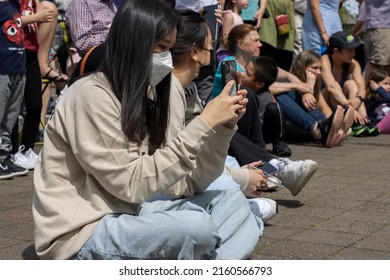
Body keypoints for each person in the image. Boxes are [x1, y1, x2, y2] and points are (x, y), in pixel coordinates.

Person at [33, 0, 260, 260]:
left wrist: (222, 128)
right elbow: (131, 185)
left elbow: (185, 184)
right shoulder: (91, 95)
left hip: (130, 212)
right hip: (82, 231)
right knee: (196, 227)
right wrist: (204, 123)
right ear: (134, 41)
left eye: (170, 48)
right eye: (162, 47)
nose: (167, 58)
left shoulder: (148, 92)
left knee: (233, 204)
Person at [169, 9, 277, 224]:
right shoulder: (170, 88)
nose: (212, 48)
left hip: (193, 170)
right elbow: (175, 171)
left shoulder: (187, 86)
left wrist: (227, 125)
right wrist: (238, 177)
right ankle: (237, 200)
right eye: (209, 43)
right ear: (194, 51)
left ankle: (242, 189)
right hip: (174, 182)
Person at [275, 50, 355, 147]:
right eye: (314, 68)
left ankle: (331, 132)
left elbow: (325, 109)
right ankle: (321, 130)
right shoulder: (289, 83)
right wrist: (309, 89)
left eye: (320, 68)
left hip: (305, 126)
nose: (318, 72)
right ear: (302, 68)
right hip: (289, 125)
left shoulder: (315, 83)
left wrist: (333, 123)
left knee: (325, 120)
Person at [321, 31, 379, 137]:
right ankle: (354, 120)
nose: (354, 54)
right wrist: (350, 109)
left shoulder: (353, 64)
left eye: (354, 50)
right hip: (323, 102)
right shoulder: (324, 60)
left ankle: (363, 121)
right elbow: (331, 87)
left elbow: (362, 86)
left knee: (351, 84)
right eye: (350, 50)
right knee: (336, 85)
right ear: (336, 51)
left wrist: (358, 99)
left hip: (342, 104)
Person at [0, 0, 29, 179]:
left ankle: (4, 155)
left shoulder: (14, 5)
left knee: (10, 117)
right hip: (2, 69)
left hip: (18, 68)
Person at [241, 56, 291, 156]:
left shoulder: (264, 98)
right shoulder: (241, 88)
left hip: (259, 132)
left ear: (259, 84)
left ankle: (279, 143)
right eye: (245, 69)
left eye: (248, 74)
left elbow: (257, 124)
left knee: (274, 107)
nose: (243, 74)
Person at [258, 0, 294, 71]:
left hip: (286, 8)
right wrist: (262, 9)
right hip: (269, 8)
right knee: (266, 44)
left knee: (285, 47)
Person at [363, 0, 390, 81]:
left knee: (387, 66)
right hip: (382, 25)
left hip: (384, 26)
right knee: (377, 65)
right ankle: (364, 92)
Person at [365, 69, 390, 134]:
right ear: (374, 85)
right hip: (376, 125)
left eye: (389, 84)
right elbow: (388, 98)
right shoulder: (373, 97)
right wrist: (378, 89)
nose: (388, 87)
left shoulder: (386, 95)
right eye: (385, 84)